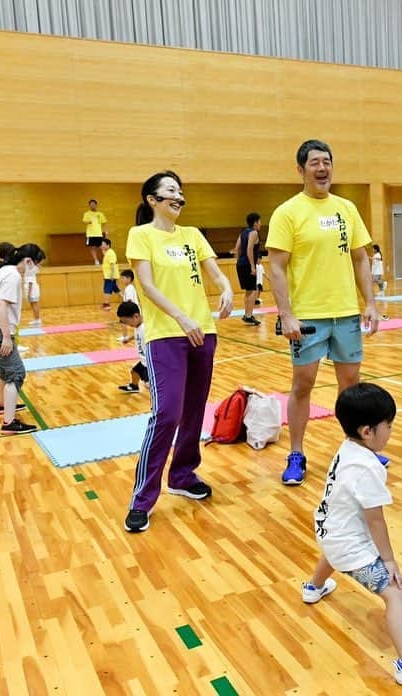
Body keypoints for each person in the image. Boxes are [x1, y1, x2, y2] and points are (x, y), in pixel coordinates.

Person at [302, 383, 402, 686]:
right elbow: (376, 521)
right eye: (389, 425)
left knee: (334, 551)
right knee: (394, 592)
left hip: (325, 527)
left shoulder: (348, 447)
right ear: (368, 431)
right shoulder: (367, 469)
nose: (391, 431)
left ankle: (313, 587)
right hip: (346, 543)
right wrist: (389, 561)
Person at [123, 170, 233, 533]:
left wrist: (226, 287)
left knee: (194, 410)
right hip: (166, 334)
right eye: (170, 190)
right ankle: (143, 498)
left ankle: (183, 475)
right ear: (152, 199)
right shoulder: (141, 235)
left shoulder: (193, 235)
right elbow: (147, 286)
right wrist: (181, 317)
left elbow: (214, 272)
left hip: (204, 331)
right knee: (166, 413)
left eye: (180, 190)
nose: (178, 195)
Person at [267, 139, 379, 487]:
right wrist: (286, 314)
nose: (322, 168)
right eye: (314, 162)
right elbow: (276, 267)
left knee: (351, 387)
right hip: (308, 318)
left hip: (345, 313)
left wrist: (370, 303)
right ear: (300, 170)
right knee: (303, 385)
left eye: (327, 161)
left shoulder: (346, 208)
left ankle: (358, 451)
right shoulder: (287, 212)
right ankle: (296, 453)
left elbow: (361, 257)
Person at [0, 243, 45, 435]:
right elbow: (1, 306)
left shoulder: (5, 270)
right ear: (28, 261)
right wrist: (6, 337)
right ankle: (9, 422)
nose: (36, 269)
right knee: (16, 372)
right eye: (36, 264)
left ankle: (2, 405)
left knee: (6, 370)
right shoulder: (13, 276)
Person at [232, 212, 262, 326]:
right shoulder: (254, 233)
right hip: (248, 264)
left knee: (248, 291)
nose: (260, 224)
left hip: (241, 263)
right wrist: (252, 267)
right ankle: (248, 316)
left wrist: (240, 261)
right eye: (259, 221)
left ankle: (247, 314)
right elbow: (249, 249)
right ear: (255, 223)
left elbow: (237, 249)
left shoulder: (243, 233)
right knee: (253, 290)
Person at [116, 301, 147, 394]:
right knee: (134, 372)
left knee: (149, 385)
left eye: (127, 322)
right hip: (143, 360)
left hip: (149, 362)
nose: (127, 325)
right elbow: (137, 335)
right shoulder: (137, 326)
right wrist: (129, 338)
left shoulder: (145, 328)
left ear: (136, 316)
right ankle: (134, 386)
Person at [83, 199, 108, 265]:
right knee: (92, 247)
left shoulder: (100, 214)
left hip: (99, 233)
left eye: (93, 204)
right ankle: (96, 260)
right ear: (89, 205)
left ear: (96, 205)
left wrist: (106, 231)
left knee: (102, 247)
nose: (92, 205)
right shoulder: (87, 214)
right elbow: (84, 220)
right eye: (91, 204)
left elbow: (104, 223)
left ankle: (106, 260)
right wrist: (88, 221)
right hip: (90, 234)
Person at [118, 269, 139, 342]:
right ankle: (125, 336)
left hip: (132, 309)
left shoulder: (130, 288)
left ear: (129, 278)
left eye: (123, 278)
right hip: (131, 309)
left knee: (123, 321)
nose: (122, 280)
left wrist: (125, 310)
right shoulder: (128, 287)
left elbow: (129, 300)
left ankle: (125, 336)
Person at [100, 238, 120, 310]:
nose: (101, 245)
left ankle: (107, 304)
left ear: (108, 245)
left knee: (107, 289)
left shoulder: (111, 253)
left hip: (110, 276)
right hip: (108, 275)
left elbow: (112, 264)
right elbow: (103, 252)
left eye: (103, 244)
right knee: (115, 289)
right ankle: (125, 299)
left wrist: (111, 274)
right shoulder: (108, 252)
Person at [24, 253, 42, 326]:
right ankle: (36, 319)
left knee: (34, 304)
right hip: (32, 288)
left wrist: (29, 293)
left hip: (32, 289)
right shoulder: (32, 268)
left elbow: (30, 282)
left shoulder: (31, 270)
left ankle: (37, 319)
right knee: (33, 304)